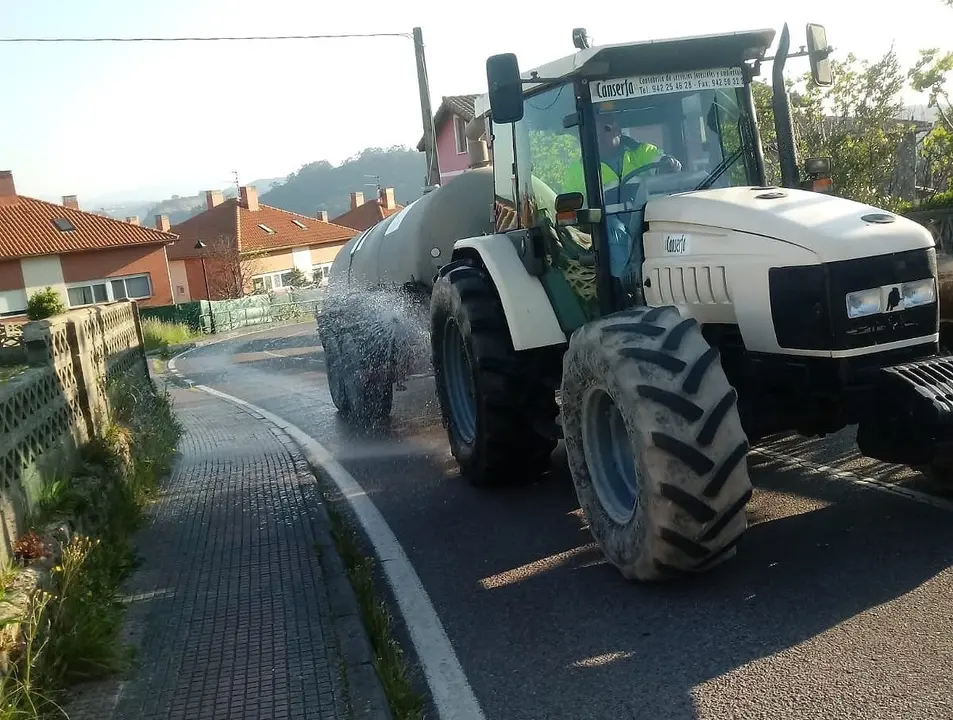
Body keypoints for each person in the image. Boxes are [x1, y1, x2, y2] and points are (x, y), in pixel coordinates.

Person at [563, 120, 681, 204]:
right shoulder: (577, 171)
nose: (598, 137)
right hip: (604, 231)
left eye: (605, 130)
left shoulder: (642, 151)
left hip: (646, 219)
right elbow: (572, 210)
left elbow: (661, 162)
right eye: (593, 133)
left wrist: (669, 163)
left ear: (617, 130)